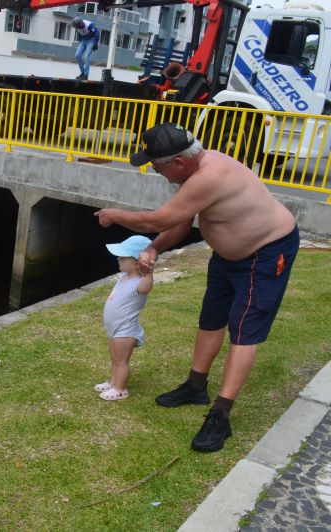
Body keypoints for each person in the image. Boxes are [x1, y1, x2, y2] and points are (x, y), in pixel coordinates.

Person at [95, 122, 299, 452]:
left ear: (177, 162)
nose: (156, 172)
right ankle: (195, 386)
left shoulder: (210, 174)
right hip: (227, 255)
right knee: (211, 318)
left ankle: (221, 414)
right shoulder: (194, 172)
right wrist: (156, 248)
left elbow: (157, 220)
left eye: (156, 166)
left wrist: (113, 214)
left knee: (244, 328)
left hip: (265, 253)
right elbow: (178, 223)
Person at [96, 235, 154, 401]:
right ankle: (113, 382)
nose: (118, 260)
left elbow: (147, 286)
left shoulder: (140, 282)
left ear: (136, 263)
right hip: (114, 327)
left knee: (121, 360)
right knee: (114, 358)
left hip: (126, 329)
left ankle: (121, 389)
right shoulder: (124, 276)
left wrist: (148, 270)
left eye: (122, 258)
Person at [71, 17, 100, 81]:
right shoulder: (78, 27)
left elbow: (97, 33)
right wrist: (80, 44)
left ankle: (86, 75)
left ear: (80, 24)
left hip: (91, 39)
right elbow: (80, 35)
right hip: (84, 40)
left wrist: (95, 43)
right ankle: (83, 73)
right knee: (77, 55)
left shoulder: (89, 25)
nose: (76, 28)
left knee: (87, 56)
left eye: (76, 26)